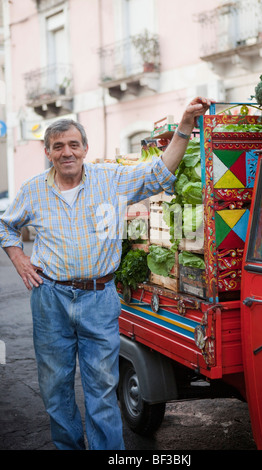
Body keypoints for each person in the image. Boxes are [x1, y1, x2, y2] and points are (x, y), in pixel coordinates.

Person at [0, 96, 212, 450]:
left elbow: (161, 171)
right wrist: (19, 259)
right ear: (48, 152)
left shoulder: (111, 179)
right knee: (55, 386)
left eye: (72, 145)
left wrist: (186, 124)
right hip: (50, 298)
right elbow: (6, 228)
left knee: (101, 387)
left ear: (84, 148)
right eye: (57, 147)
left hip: (99, 297)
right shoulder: (33, 190)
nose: (66, 152)